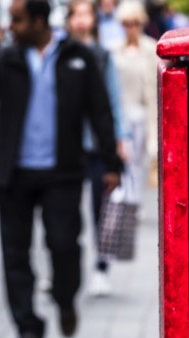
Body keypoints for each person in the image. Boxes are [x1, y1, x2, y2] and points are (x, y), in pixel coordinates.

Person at [0, 0, 121, 338]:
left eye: (18, 20)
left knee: (64, 244)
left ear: (39, 21)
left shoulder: (77, 56)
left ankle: (65, 298)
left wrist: (111, 162)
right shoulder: (6, 57)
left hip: (63, 172)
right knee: (15, 253)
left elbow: (99, 109)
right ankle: (28, 328)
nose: (11, 26)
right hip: (16, 173)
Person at [65, 0, 129, 297]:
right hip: (66, 144)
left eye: (85, 14)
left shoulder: (102, 55)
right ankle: (63, 266)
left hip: (95, 144)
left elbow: (113, 101)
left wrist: (120, 138)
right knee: (64, 210)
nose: (81, 20)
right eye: (75, 14)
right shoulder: (58, 52)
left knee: (102, 209)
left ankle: (102, 267)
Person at [112, 1, 156, 206]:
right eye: (127, 23)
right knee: (125, 159)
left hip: (142, 114)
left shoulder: (150, 49)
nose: (131, 27)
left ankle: (134, 202)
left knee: (139, 161)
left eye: (135, 23)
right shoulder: (114, 51)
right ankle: (126, 199)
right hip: (122, 113)